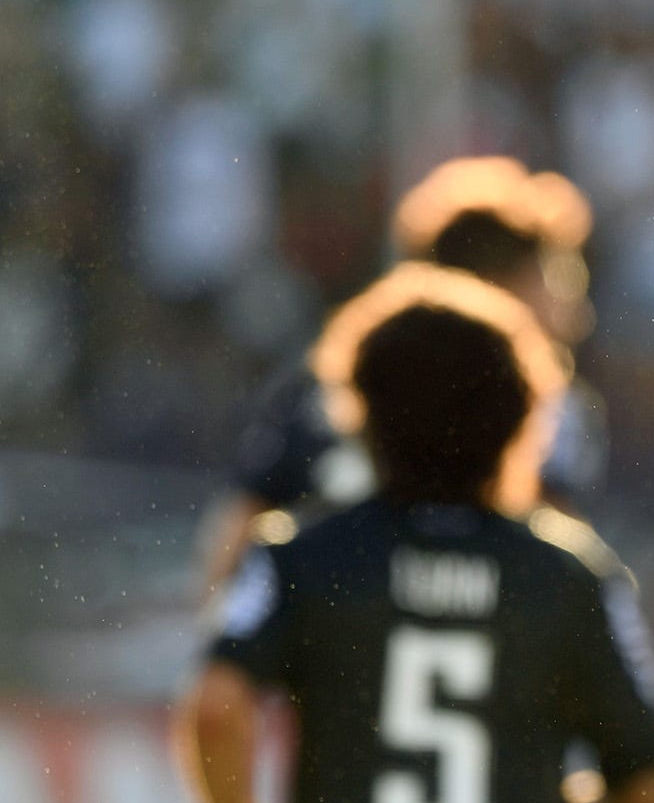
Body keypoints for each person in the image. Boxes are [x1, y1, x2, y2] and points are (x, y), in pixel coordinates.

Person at [177, 262, 654, 803]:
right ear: (521, 414)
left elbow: (218, 708)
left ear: (359, 409)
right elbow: (653, 791)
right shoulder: (569, 575)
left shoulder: (301, 557)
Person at [197, 156, 609, 596]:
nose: (576, 316)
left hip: (327, 643)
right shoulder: (545, 406)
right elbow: (560, 578)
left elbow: (230, 559)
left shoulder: (324, 377)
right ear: (494, 287)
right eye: (558, 285)